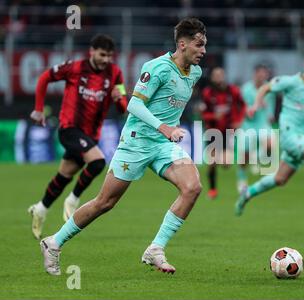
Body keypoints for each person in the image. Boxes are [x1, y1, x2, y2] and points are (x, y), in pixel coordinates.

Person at [39, 17, 207, 276]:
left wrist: (167, 131)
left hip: (163, 145)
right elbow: (134, 105)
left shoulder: (195, 72)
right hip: (137, 142)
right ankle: (53, 242)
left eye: (205, 45)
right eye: (199, 45)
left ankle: (155, 249)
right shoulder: (157, 67)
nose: (203, 51)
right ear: (182, 44)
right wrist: (163, 127)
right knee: (105, 202)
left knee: (192, 187)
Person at [28, 34, 128, 240]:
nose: (106, 60)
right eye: (102, 55)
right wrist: (38, 109)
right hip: (69, 128)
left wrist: (119, 100)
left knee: (64, 175)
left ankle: (40, 208)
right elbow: (45, 77)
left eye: (110, 56)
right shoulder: (74, 68)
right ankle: (73, 199)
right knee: (98, 162)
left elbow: (122, 108)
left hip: (91, 135)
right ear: (91, 51)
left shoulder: (116, 74)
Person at [235, 48, 304, 218]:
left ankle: (246, 195)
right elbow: (265, 88)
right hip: (289, 134)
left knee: (279, 179)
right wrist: (255, 104)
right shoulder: (290, 82)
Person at [200, 67, 246, 199]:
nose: (218, 77)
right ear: (212, 78)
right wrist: (214, 116)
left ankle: (235, 175)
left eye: (220, 75)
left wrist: (238, 121)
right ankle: (213, 189)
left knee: (226, 164)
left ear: (224, 76)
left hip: (228, 131)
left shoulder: (233, 91)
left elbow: (242, 106)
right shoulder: (208, 93)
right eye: (216, 75)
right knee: (212, 163)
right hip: (212, 132)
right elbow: (203, 114)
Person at [236, 63, 277, 193]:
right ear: (255, 75)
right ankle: (242, 179)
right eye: (259, 74)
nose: (261, 77)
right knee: (244, 157)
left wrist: (270, 114)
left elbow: (270, 109)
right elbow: (240, 107)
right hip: (248, 125)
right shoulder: (245, 89)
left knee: (271, 145)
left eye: (264, 74)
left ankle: (257, 157)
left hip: (263, 124)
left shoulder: (269, 90)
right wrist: (248, 111)